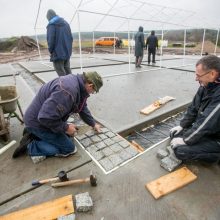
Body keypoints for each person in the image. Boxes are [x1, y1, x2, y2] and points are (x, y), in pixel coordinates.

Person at [12, 72, 103, 163]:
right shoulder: (67, 91)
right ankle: (31, 146)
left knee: (69, 136)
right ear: (90, 85)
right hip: (38, 123)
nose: (92, 93)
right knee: (69, 148)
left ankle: (35, 134)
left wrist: (93, 124)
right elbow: (45, 117)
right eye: (94, 91)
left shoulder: (77, 84)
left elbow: (82, 107)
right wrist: (66, 127)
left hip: (43, 118)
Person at [170, 55, 220, 164]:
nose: (196, 78)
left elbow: (207, 122)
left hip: (217, 138)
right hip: (210, 131)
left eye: (199, 75)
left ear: (212, 74)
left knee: (181, 151)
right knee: (174, 134)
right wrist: (182, 125)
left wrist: (185, 140)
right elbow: (193, 107)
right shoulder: (206, 85)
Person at [46, 9, 73, 76]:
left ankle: (66, 86)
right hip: (67, 51)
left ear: (49, 17)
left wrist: (50, 50)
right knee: (68, 71)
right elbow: (71, 38)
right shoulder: (66, 23)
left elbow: (51, 40)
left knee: (61, 73)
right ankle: (73, 84)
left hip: (57, 53)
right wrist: (69, 49)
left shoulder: (52, 25)